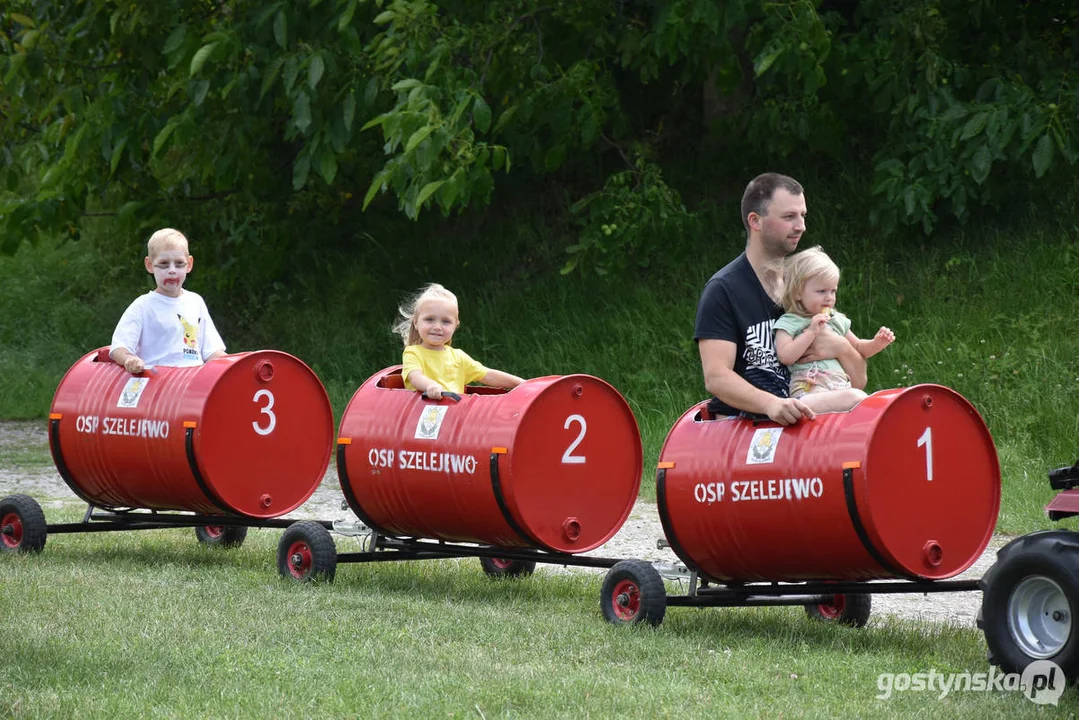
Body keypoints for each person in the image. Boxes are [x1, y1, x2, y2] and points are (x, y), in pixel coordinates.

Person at [694, 173, 866, 426]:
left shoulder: (806, 286)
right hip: (747, 425)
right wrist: (771, 404)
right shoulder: (723, 290)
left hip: (807, 416)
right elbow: (716, 377)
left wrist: (841, 348)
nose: (801, 226)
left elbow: (859, 381)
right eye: (789, 217)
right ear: (755, 221)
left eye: (803, 215)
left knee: (867, 404)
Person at [774, 246, 895, 413]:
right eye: (821, 291)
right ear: (797, 293)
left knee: (863, 400)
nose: (829, 297)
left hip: (840, 388)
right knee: (857, 399)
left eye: (833, 291)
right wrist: (811, 333)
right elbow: (785, 356)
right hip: (808, 391)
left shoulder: (836, 320)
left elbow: (859, 348)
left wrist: (877, 343)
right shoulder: (790, 321)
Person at [110, 228, 226, 375]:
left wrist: (234, 364)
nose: (172, 270)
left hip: (193, 384)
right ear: (150, 265)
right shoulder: (143, 306)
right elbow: (119, 348)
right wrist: (129, 359)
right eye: (164, 264)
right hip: (158, 385)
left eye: (179, 264)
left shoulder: (195, 302)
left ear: (189, 264)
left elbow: (212, 352)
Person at [394, 283, 524, 400]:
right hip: (424, 413)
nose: (437, 327)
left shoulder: (458, 357)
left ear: (455, 326)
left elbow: (487, 375)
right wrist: (431, 386)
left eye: (446, 321)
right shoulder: (413, 352)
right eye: (429, 319)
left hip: (454, 415)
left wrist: (523, 384)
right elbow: (414, 377)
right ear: (416, 323)